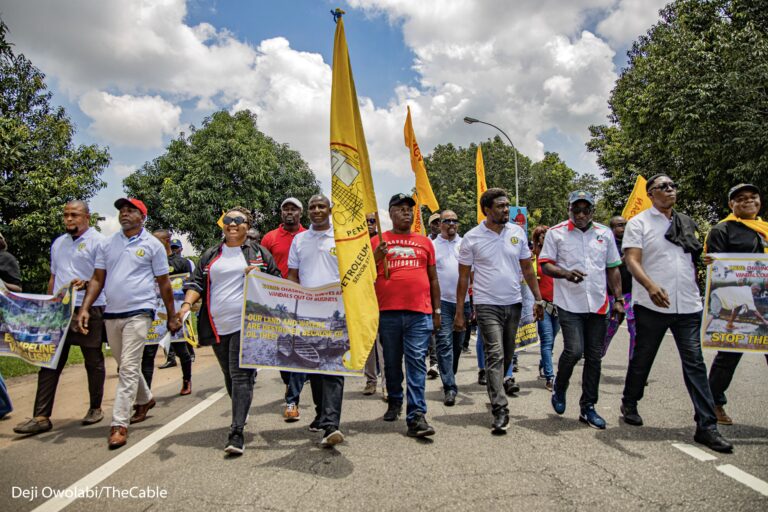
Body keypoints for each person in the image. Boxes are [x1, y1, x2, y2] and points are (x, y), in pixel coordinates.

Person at [620, 174, 733, 453]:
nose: (670, 190)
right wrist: (650, 286)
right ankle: (630, 401)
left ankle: (706, 426)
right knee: (643, 358)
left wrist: (704, 258)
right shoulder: (639, 223)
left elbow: (688, 255)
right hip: (652, 304)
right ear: (650, 193)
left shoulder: (684, 221)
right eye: (663, 187)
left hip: (688, 305)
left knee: (695, 363)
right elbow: (631, 260)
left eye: (673, 186)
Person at [77, 198, 181, 449]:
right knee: (124, 363)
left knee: (128, 368)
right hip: (112, 312)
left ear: (142, 217)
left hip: (140, 311)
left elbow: (164, 283)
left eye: (130, 210)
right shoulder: (108, 244)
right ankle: (145, 398)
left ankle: (119, 424)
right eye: (121, 210)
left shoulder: (152, 245)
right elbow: (97, 278)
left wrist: (172, 315)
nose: (124, 214)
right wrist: (85, 307)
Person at [180, 207, 279, 455]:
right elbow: (196, 283)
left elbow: (277, 280)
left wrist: (261, 275)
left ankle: (236, 432)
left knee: (239, 375)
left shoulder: (259, 253)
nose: (232, 224)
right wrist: (185, 305)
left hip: (246, 323)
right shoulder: (211, 254)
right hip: (215, 324)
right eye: (228, 220)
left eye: (238, 220)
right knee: (229, 374)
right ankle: (241, 409)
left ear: (248, 225)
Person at [13, 201, 108, 436]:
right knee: (50, 361)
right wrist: (49, 305)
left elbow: (102, 277)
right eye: (66, 215)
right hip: (59, 310)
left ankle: (95, 408)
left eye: (74, 215)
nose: (69, 219)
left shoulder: (99, 242)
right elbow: (53, 278)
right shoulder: (58, 244)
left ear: (87, 216)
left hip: (90, 307)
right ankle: (41, 416)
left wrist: (86, 284)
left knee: (92, 359)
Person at [455, 188, 544, 434]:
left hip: (514, 303)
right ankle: (499, 408)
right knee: (495, 353)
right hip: (486, 305)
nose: (506, 210)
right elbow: (463, 278)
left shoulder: (517, 233)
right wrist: (460, 311)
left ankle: (497, 389)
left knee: (506, 353)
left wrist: (538, 300)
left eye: (507, 205)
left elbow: (527, 269)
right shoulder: (472, 238)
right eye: (501, 206)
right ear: (487, 209)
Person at [540, 191, 624, 429]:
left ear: (592, 212)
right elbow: (545, 265)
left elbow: (613, 268)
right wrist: (566, 273)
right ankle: (560, 386)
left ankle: (588, 407)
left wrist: (618, 299)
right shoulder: (556, 234)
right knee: (575, 350)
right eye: (575, 210)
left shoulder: (604, 234)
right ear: (569, 210)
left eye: (585, 210)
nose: (580, 215)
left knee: (594, 357)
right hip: (569, 303)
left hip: (598, 304)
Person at [372, 193, 440, 438]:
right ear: (390, 214)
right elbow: (363, 276)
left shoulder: (425, 242)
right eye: (400, 209)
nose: (406, 212)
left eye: (409, 209)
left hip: (419, 314)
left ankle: (417, 416)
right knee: (391, 364)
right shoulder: (377, 241)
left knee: (416, 364)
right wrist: (376, 258)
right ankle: (395, 400)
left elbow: (433, 278)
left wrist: (437, 310)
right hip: (387, 313)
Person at [704, 183, 768, 425]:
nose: (748, 201)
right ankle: (714, 403)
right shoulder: (723, 230)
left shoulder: (765, 230)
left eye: (753, 197)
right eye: (741, 199)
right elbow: (718, 267)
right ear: (731, 204)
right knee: (729, 355)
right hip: (738, 293)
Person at [286, 194, 346, 447]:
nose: (317, 210)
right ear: (307, 212)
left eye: (321, 206)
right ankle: (322, 414)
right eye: (312, 207)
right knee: (315, 369)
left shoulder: (342, 237)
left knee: (332, 367)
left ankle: (331, 425)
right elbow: (292, 275)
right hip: (308, 315)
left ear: (330, 210)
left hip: (337, 312)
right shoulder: (299, 240)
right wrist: (291, 307)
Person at [261, 197, 308, 422]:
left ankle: (292, 401)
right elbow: (261, 269)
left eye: (294, 209)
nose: (289, 213)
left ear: (301, 213)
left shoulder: (308, 236)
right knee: (282, 352)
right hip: (277, 302)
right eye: (285, 209)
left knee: (297, 350)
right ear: (281, 214)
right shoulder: (269, 238)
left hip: (305, 301)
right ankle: (290, 384)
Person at [139, 229, 194, 396]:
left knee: (180, 348)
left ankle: (187, 380)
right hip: (154, 312)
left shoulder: (181, 263)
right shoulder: (147, 263)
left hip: (175, 312)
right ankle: (146, 394)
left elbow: (190, 286)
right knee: (148, 352)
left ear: (167, 241)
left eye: (157, 241)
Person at [433, 210, 469, 405]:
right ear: (440, 224)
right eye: (447, 221)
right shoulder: (432, 246)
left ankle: (450, 375)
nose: (452, 223)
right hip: (442, 303)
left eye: (455, 220)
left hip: (463, 303)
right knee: (444, 344)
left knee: (457, 345)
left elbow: (474, 272)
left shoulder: (465, 243)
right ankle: (449, 387)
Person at [601, 216, 636, 359]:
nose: (623, 228)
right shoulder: (606, 244)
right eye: (619, 225)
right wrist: (624, 258)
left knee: (635, 330)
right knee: (610, 328)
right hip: (611, 295)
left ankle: (635, 365)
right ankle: (596, 355)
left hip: (631, 294)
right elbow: (607, 266)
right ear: (612, 228)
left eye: (625, 225)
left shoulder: (633, 244)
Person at [531, 225, 559, 391]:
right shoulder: (532, 259)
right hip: (543, 305)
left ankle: (543, 363)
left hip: (560, 305)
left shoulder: (558, 255)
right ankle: (550, 376)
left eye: (547, 234)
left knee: (552, 340)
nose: (545, 237)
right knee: (547, 341)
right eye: (542, 235)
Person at [161, 237, 196, 367]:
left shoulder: (186, 262)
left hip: (181, 300)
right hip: (165, 301)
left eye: (176, 248)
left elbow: (191, 281)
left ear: (181, 249)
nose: (175, 250)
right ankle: (170, 358)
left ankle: (190, 352)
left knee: (184, 327)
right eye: (173, 248)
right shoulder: (162, 262)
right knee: (165, 328)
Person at [362, 212, 387, 398]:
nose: (369, 224)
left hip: (382, 298)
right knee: (369, 344)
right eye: (366, 221)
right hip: (363, 298)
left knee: (383, 344)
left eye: (372, 221)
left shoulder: (383, 241)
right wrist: (374, 257)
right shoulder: (355, 243)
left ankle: (387, 382)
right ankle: (371, 380)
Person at [426, 212, 442, 378]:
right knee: (433, 330)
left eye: (440, 221)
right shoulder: (426, 242)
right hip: (430, 292)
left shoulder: (454, 240)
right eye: (434, 222)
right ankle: (434, 362)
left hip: (450, 294)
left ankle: (444, 361)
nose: (438, 224)